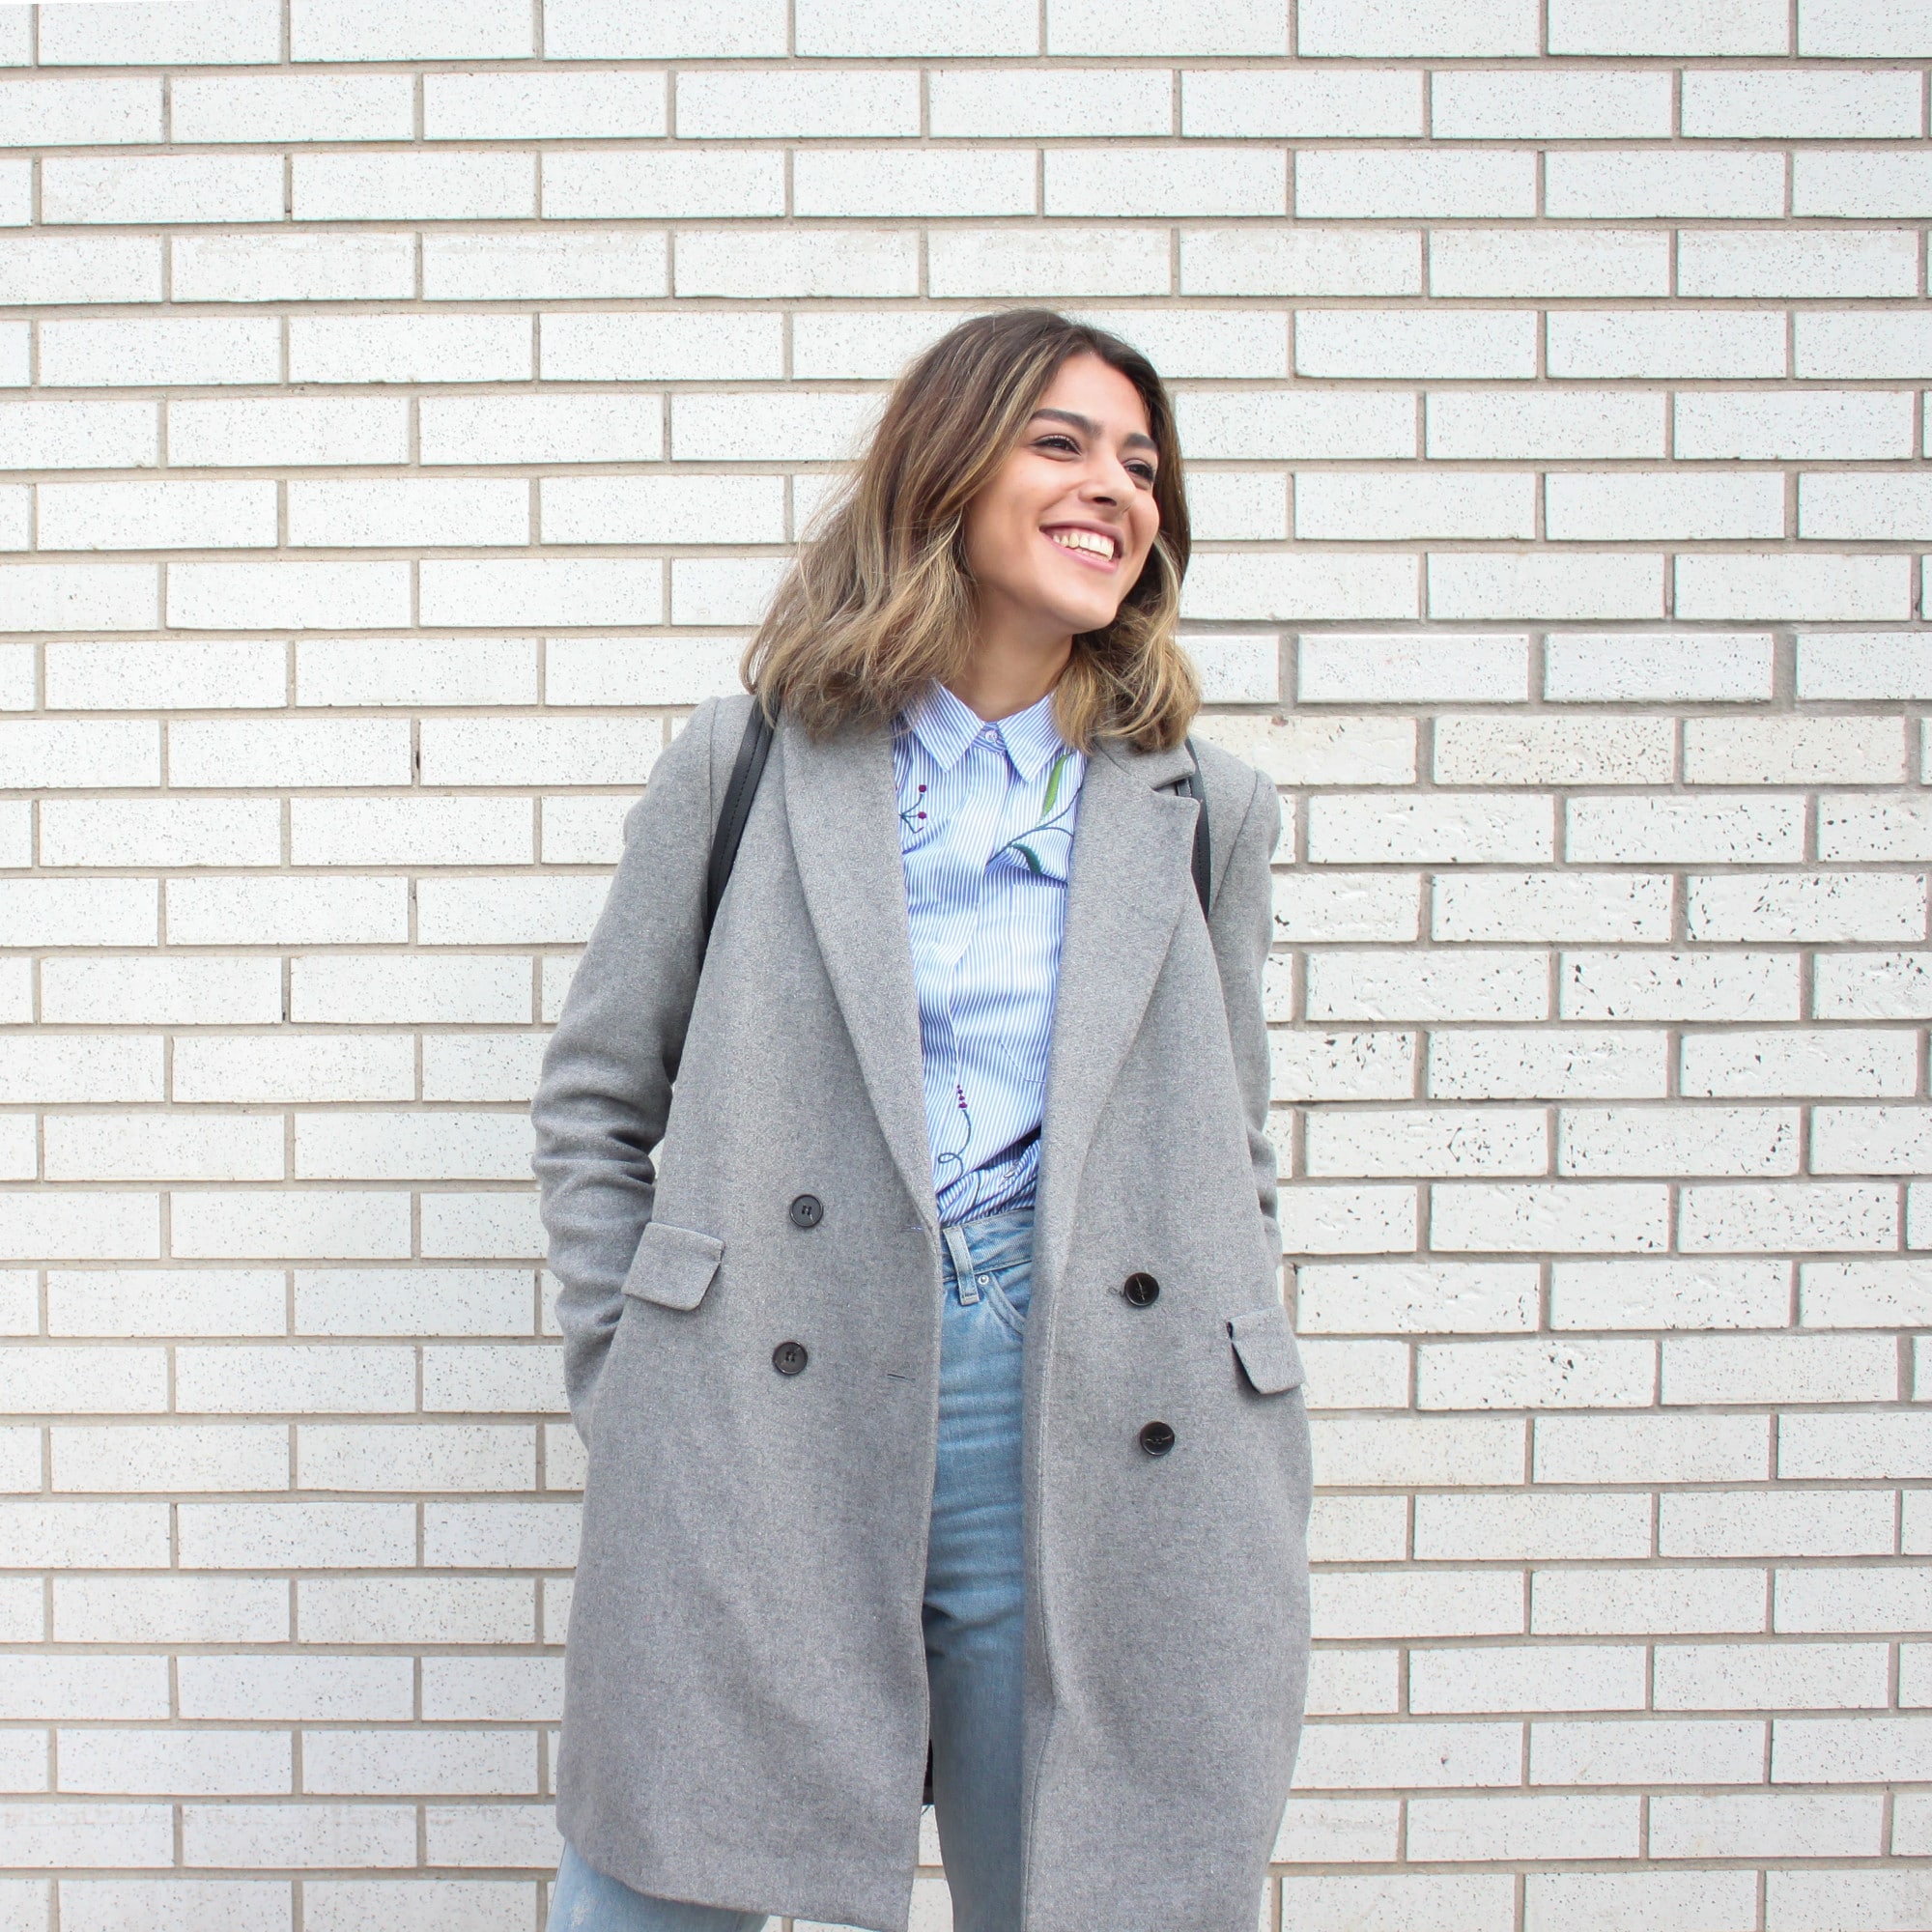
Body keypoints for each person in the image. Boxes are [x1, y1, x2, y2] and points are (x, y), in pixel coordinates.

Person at [530, 308, 1311, 1932]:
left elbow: (1225, 1142)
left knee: (1093, 1895)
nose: (1118, 487)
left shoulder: (1200, 809)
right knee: (656, 1887)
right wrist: (640, 1378)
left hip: (1102, 1405)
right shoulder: (753, 757)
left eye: (1144, 463)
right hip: (765, 1395)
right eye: (1064, 442)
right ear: (946, 470)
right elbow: (602, 1094)